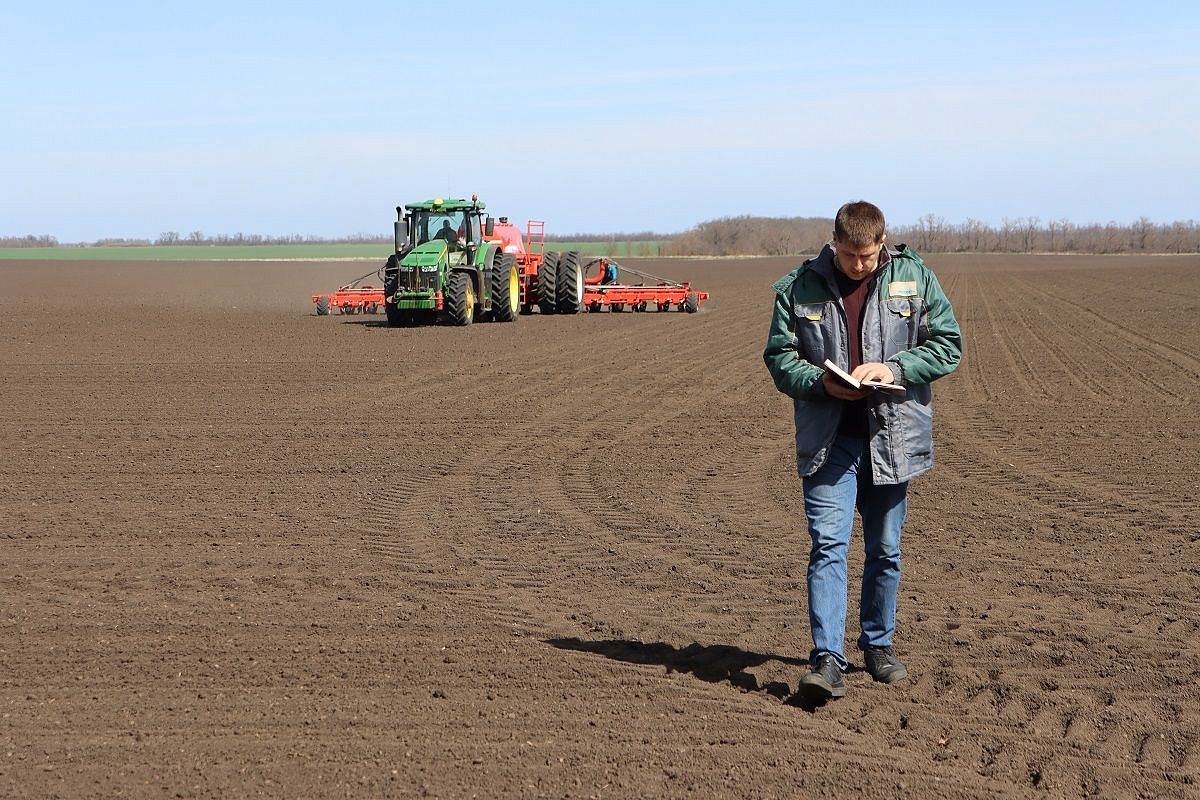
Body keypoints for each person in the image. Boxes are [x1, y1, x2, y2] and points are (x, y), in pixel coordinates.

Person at [762, 201, 962, 702]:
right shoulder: (799, 287)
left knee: (885, 550)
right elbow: (779, 356)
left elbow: (948, 344)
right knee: (829, 546)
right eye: (850, 255)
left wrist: (894, 369)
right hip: (829, 441)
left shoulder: (914, 278)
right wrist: (822, 384)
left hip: (890, 439)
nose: (858, 265)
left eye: (868, 256)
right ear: (834, 242)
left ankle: (878, 646)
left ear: (882, 244)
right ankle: (826, 660)